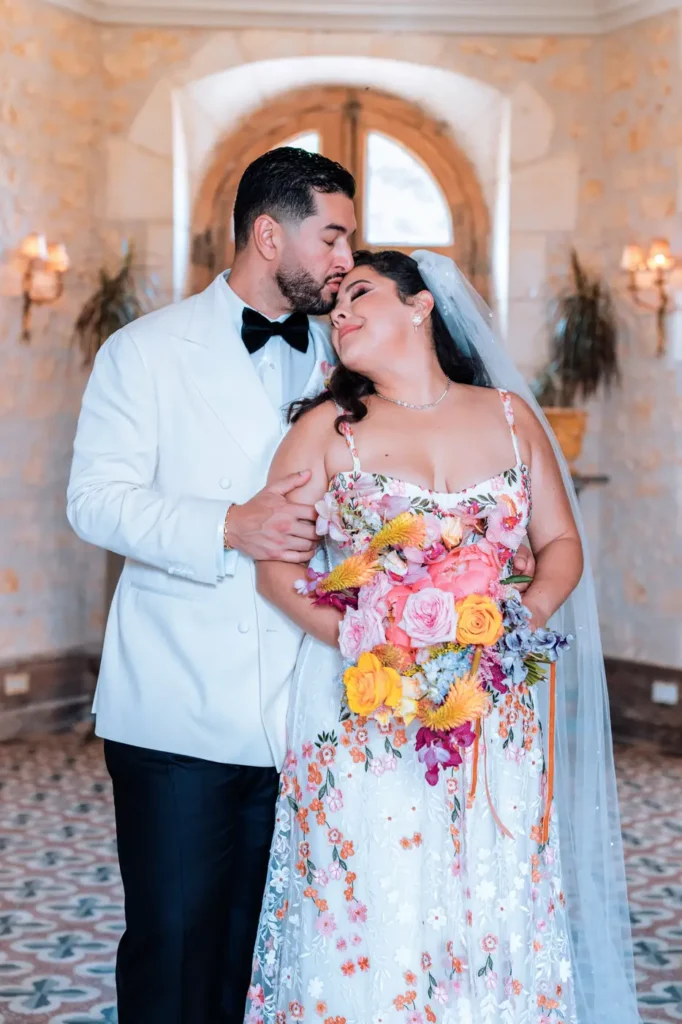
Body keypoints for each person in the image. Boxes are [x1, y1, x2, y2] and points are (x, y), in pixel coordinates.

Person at [67, 147, 533, 1024]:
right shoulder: (144, 351)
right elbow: (94, 502)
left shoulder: (354, 347)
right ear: (268, 233)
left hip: (329, 713)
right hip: (181, 705)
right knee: (175, 940)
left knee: (283, 947)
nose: (347, 261)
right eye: (333, 237)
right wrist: (224, 526)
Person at [244, 251, 640, 1024]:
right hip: (366, 709)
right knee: (374, 906)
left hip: (490, 703)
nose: (340, 314)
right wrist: (368, 641)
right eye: (332, 306)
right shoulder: (327, 428)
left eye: (358, 293)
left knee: (490, 897)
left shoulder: (507, 416)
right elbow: (276, 570)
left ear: (421, 306)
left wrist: (512, 626)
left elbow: (560, 545)